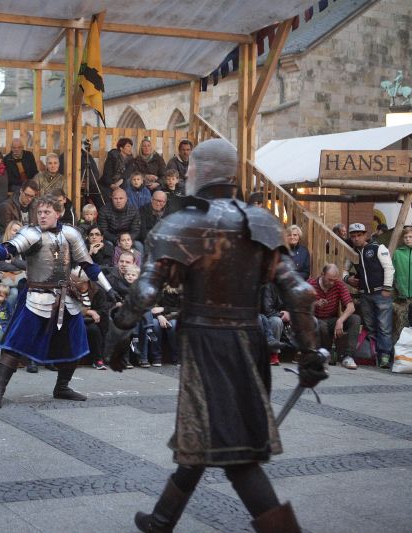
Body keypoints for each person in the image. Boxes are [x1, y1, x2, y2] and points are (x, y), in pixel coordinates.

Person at [105, 138, 327, 532]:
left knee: (236, 453)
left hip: (207, 344)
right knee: (207, 433)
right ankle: (160, 521)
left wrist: (118, 335)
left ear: (199, 172)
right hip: (250, 341)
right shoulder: (259, 221)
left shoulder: (182, 224)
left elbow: (144, 291)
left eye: (191, 167)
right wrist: (310, 352)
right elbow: (298, 291)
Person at [0, 194, 118, 408]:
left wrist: (109, 288)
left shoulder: (71, 233)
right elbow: (8, 249)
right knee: (15, 344)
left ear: (58, 213)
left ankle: (62, 387)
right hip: (36, 297)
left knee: (75, 343)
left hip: (66, 298)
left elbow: (88, 265)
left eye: (47, 212)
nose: (42, 216)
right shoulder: (31, 233)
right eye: (39, 212)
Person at [345, 222, 395, 369]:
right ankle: (374, 355)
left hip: (381, 293)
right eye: (353, 236)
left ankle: (385, 357)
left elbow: (389, 268)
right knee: (370, 327)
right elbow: (344, 270)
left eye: (359, 235)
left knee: (384, 327)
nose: (356, 238)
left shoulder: (378, 248)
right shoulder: (352, 253)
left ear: (365, 235)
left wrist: (387, 288)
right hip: (365, 295)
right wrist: (347, 279)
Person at [310, 263, 361, 370]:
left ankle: (348, 357)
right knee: (321, 325)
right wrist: (315, 303)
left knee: (355, 319)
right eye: (329, 280)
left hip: (331, 320)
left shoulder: (338, 284)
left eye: (334, 280)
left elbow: (351, 307)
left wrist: (340, 321)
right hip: (314, 320)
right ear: (322, 274)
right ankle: (324, 353)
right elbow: (299, 304)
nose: (332, 283)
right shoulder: (311, 284)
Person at [70, 266, 110, 371]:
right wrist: (88, 311)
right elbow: (68, 306)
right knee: (79, 328)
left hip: (91, 321)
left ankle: (98, 360)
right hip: (74, 319)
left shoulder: (97, 291)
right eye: (71, 280)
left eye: (75, 281)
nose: (72, 283)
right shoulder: (69, 290)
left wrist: (95, 314)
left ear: (85, 282)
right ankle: (73, 358)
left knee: (94, 330)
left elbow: (103, 310)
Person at [98, 188, 142, 253]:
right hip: (111, 238)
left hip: (128, 238)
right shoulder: (104, 210)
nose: (118, 201)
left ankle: (139, 260)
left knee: (139, 245)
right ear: (112, 199)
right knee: (108, 245)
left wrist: (127, 240)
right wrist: (117, 240)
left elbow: (136, 230)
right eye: (115, 198)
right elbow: (103, 231)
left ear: (126, 199)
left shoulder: (134, 210)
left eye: (121, 198)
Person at [392, 227, 412, 339]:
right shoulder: (397, 253)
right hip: (402, 297)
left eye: (410, 237)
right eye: (405, 237)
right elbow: (392, 272)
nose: (408, 239)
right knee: (402, 328)